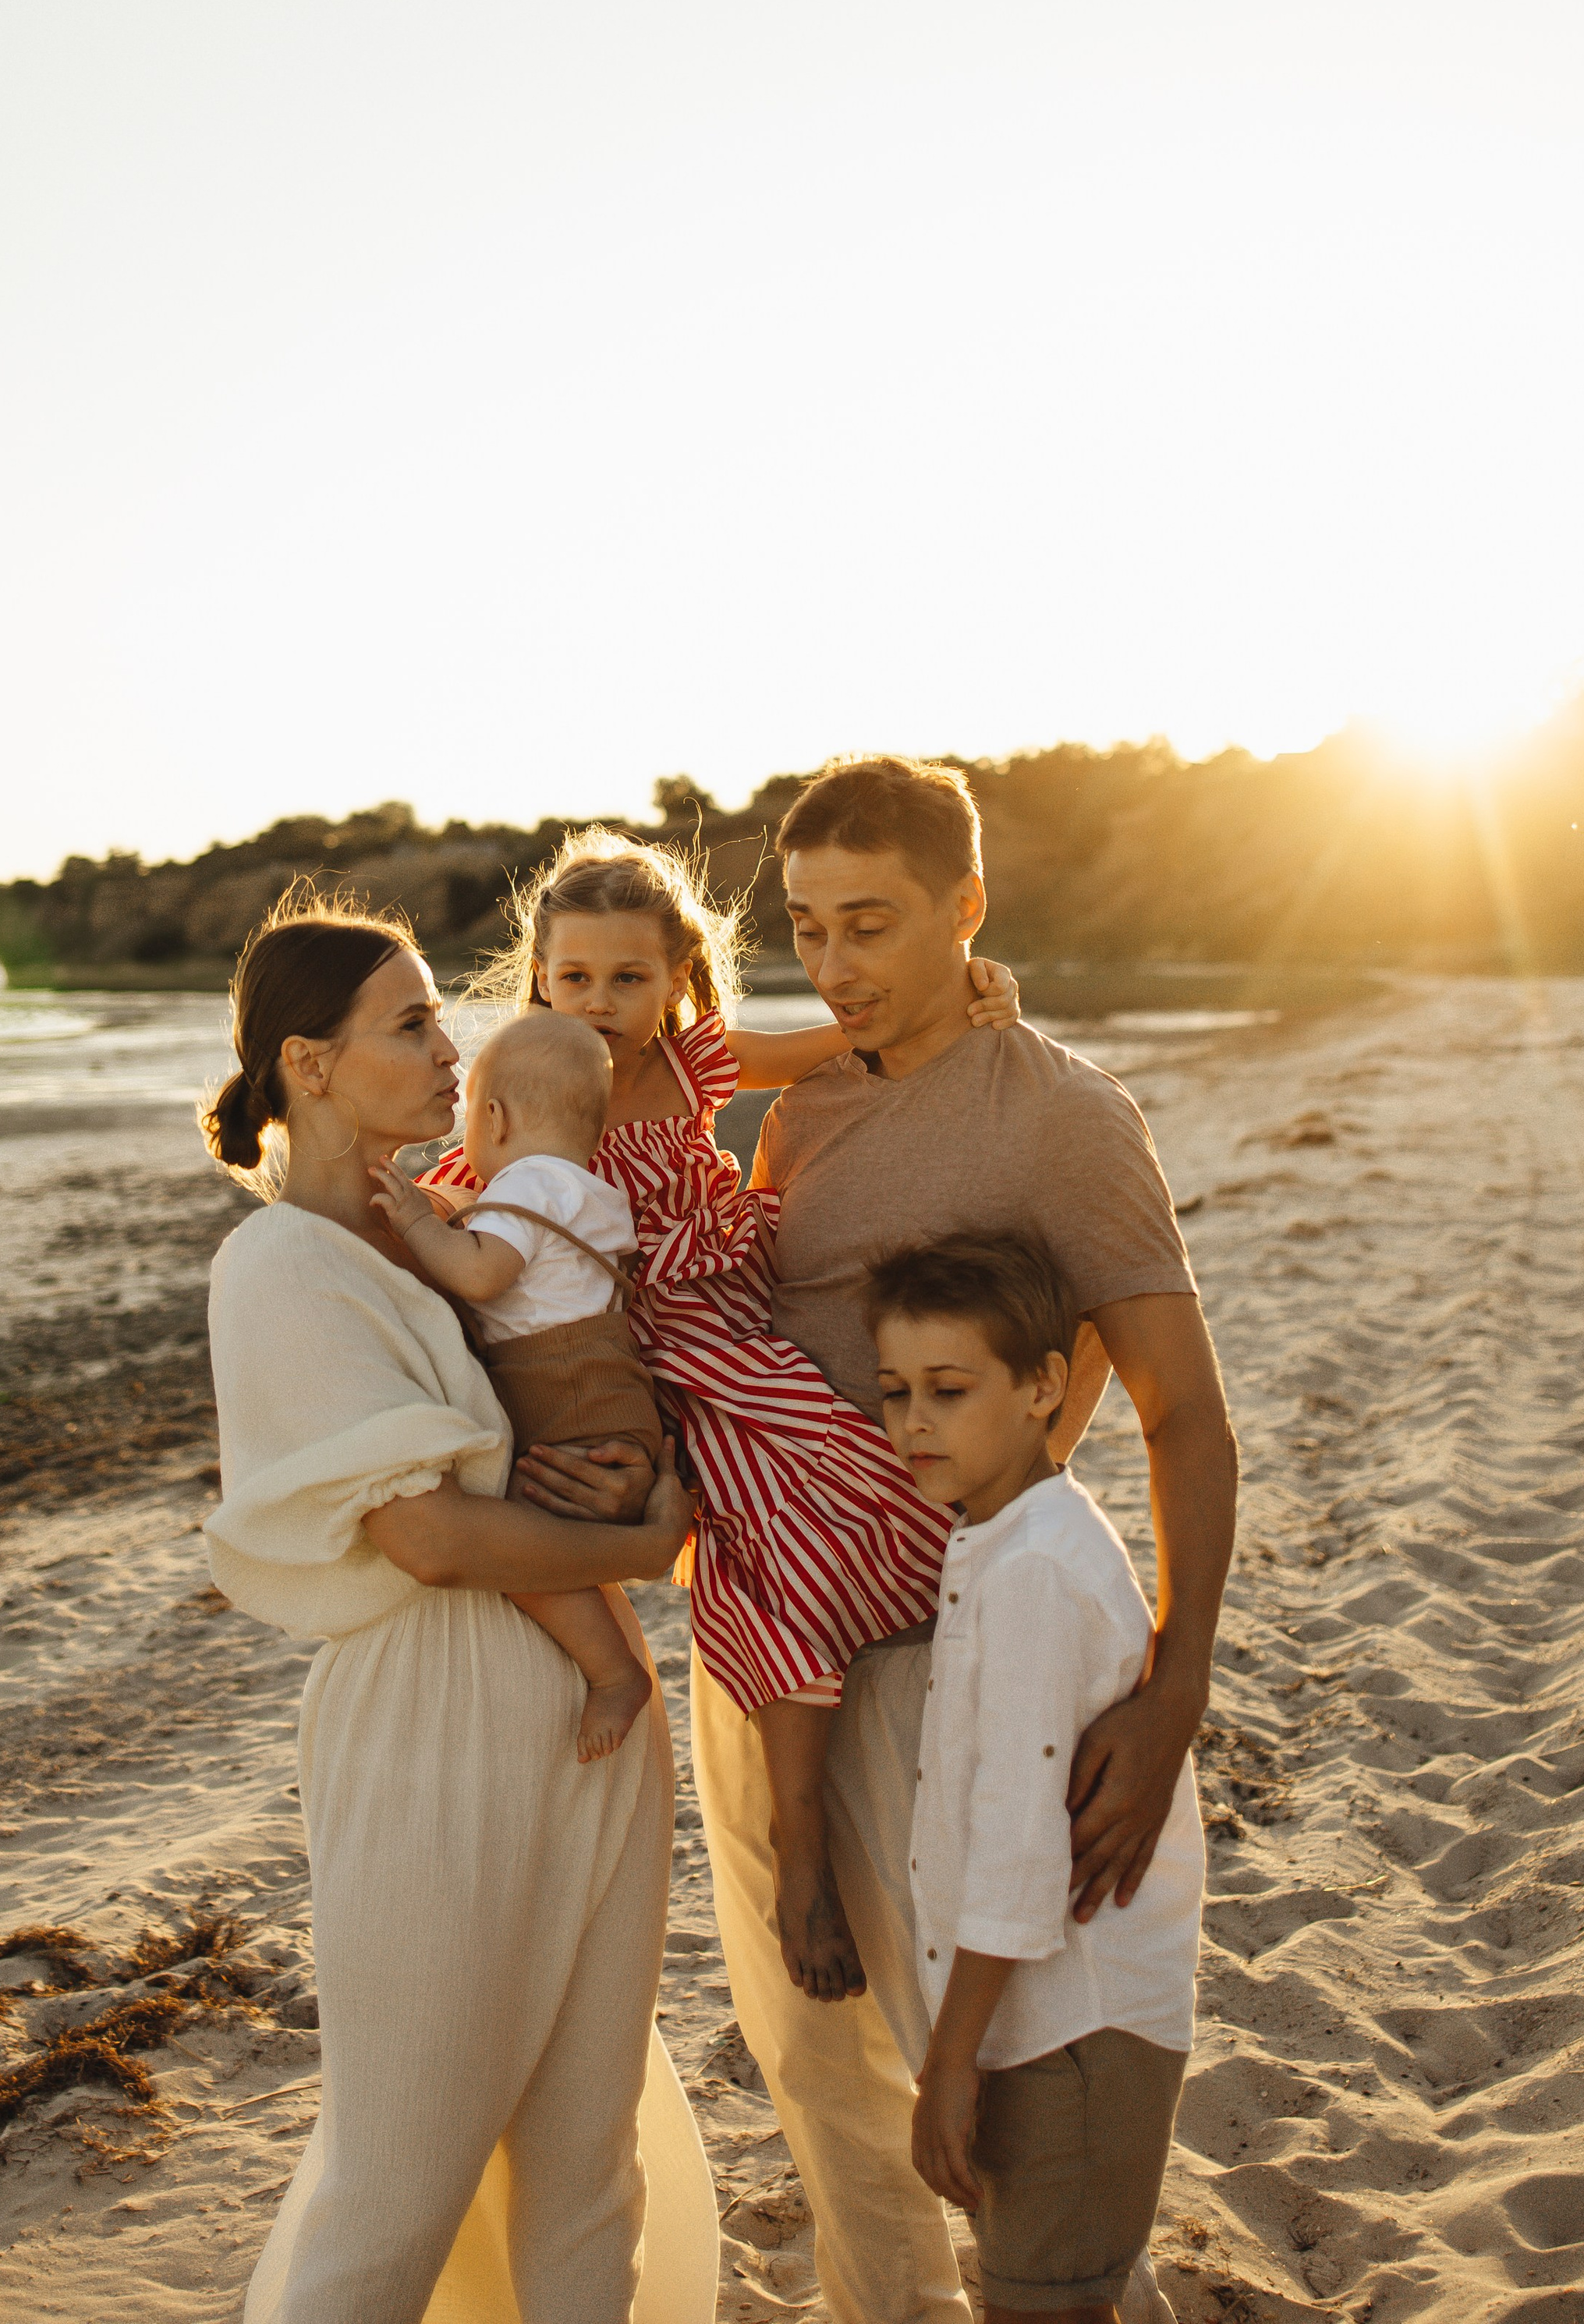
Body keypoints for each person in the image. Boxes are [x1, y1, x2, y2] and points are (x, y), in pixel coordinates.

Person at [520, 760, 1235, 2324]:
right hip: (760, 1632)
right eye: (808, 930)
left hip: (934, 1648)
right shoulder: (804, 1107)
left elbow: (1180, 1409)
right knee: (810, 2062)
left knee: (976, 2061)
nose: (836, 968)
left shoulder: (1058, 1114)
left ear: (965, 911)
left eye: (874, 927)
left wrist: (1176, 1683)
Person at [197, 890, 719, 2324]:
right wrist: (647, 1536)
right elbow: (425, 1536)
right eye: (414, 1023)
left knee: (587, 2162)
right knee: (401, 2176)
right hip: (428, 1739)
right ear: (309, 1065)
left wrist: (634, 1492)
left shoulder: (453, 1227)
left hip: (597, 1733)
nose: (451, 1051)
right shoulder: (279, 1267)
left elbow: (570, 1418)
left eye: (442, 1021)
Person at [427, 826, 1022, 2002]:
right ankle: (803, 1851)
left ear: (678, 977)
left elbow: (833, 1044)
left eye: (629, 978)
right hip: (639, 1356)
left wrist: (967, 994)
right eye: (574, 977)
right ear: (539, 974)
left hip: (739, 1329)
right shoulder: (539, 1088)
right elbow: (467, 1189)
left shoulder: (693, 1065)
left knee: (882, 1486)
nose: (598, 1003)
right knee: (772, 1532)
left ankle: (918, 1740)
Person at [869, 1231, 1203, 2324]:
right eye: (895, 1390)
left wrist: (949, 2062)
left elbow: (1019, 1845)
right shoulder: (1002, 1540)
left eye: (949, 1389)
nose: (915, 1421)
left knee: (1042, 2302)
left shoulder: (1035, 1576)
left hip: (1074, 2034)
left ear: (1044, 1387)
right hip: (1044, 2027)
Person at [370, 1006, 661, 1763]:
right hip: (610, 1392)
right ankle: (610, 1656)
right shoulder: (589, 1191)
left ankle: (611, 1673)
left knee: (521, 1545)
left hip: (558, 1388)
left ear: (493, 1117)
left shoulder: (527, 1185)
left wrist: (416, 1222)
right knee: (555, 1532)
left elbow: (481, 1272)